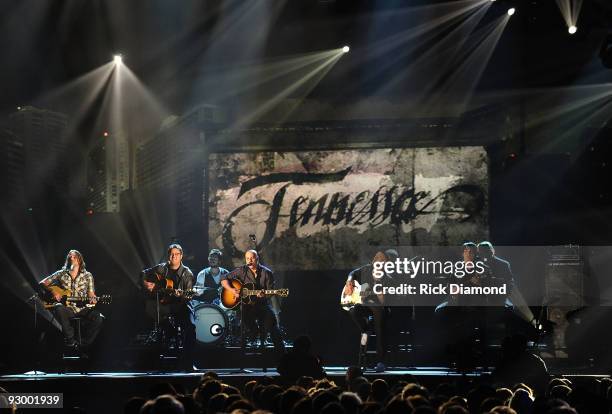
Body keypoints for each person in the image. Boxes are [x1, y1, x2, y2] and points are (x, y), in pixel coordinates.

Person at [221, 250, 285, 354]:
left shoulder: (267, 273)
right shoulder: (242, 270)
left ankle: (283, 355)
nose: (249, 260)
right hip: (247, 306)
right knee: (243, 314)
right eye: (247, 258)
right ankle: (254, 333)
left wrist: (264, 295)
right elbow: (224, 279)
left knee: (273, 323)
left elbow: (270, 292)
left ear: (257, 258)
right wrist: (233, 290)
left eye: (252, 258)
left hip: (262, 306)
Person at [142, 243, 195, 369]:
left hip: (179, 305)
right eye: (171, 254)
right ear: (168, 256)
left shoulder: (187, 274)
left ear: (181, 256)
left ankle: (188, 361)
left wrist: (181, 295)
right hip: (162, 305)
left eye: (177, 254)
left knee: (191, 327)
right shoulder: (161, 268)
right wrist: (148, 285)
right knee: (149, 308)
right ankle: (168, 332)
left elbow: (188, 295)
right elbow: (143, 274)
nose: (174, 256)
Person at [39, 249, 104, 349]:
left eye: (74, 256)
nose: (71, 258)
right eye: (69, 256)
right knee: (59, 307)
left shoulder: (88, 275)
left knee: (98, 318)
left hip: (82, 308)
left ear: (79, 260)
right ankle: (70, 340)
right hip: (67, 308)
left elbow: (91, 294)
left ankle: (83, 344)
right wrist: (53, 292)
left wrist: (93, 299)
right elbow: (42, 283)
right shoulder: (61, 273)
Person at [342, 250, 392, 372]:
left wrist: (376, 286)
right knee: (353, 310)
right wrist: (350, 281)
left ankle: (380, 361)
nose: (377, 260)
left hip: (380, 308)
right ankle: (365, 329)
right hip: (365, 306)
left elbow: (383, 301)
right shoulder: (366, 270)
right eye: (376, 257)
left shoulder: (387, 277)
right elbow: (353, 273)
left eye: (381, 259)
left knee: (379, 320)